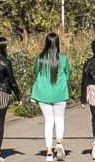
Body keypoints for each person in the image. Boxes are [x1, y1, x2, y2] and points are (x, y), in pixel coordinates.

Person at [29, 33, 72, 161]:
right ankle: (59, 143)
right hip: (60, 93)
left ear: (46, 43)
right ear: (58, 43)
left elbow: (36, 74)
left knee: (48, 121)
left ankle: (48, 152)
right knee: (59, 119)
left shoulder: (40, 59)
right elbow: (67, 75)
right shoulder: (63, 59)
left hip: (43, 94)